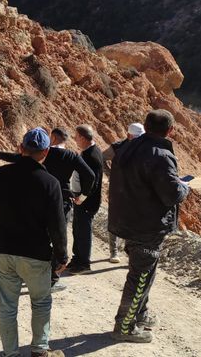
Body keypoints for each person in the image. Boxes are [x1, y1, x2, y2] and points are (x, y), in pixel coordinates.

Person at [0, 127, 67, 357]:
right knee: (41, 302)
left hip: (4, 250)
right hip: (36, 254)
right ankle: (39, 350)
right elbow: (57, 226)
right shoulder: (50, 183)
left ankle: (11, 353)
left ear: (20, 148)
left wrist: (1, 227)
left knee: (7, 307)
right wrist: (61, 256)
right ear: (46, 152)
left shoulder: (1, 175)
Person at [109, 110, 189, 343]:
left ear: (145, 126)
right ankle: (124, 326)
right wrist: (185, 187)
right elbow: (171, 193)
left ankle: (140, 314)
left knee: (144, 272)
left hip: (127, 220)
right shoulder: (161, 155)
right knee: (141, 276)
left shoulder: (127, 147)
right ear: (171, 130)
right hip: (147, 225)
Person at [0, 127, 94, 292]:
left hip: (36, 200)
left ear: (53, 139)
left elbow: (15, 157)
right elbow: (90, 175)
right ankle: (51, 279)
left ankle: (26, 273)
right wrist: (82, 196)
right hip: (62, 201)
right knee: (56, 235)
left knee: (36, 236)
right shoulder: (70, 156)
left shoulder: (38, 155)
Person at [102, 122, 145, 263]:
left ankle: (130, 254)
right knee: (115, 220)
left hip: (135, 192)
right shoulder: (117, 147)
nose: (138, 139)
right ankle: (113, 252)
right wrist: (110, 174)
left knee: (132, 222)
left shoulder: (143, 148)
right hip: (118, 191)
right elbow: (101, 158)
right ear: (128, 135)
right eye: (136, 137)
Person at [66, 125, 103, 275]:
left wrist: (82, 197)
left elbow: (92, 180)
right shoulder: (89, 152)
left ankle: (84, 263)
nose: (75, 139)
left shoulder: (92, 155)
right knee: (77, 229)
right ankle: (77, 258)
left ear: (82, 137)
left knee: (83, 231)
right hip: (82, 199)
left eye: (76, 136)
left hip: (87, 201)